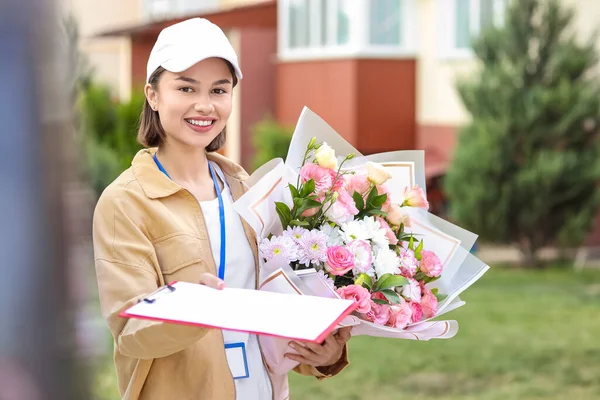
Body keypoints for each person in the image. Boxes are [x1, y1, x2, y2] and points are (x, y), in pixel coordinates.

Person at [92, 18, 351, 400]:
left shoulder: (245, 187)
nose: (204, 105)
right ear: (153, 95)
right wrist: (190, 310)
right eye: (185, 87)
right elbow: (130, 335)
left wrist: (324, 353)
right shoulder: (126, 202)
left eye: (219, 89)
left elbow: (272, 304)